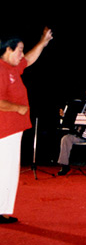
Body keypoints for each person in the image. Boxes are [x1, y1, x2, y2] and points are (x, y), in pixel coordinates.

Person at [0, 28, 52, 224]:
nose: (22, 54)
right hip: (5, 130)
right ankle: (2, 211)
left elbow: (29, 60)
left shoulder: (11, 68)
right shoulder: (1, 70)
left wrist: (42, 43)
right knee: (7, 170)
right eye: (19, 50)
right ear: (8, 49)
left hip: (13, 129)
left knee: (8, 170)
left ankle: (3, 210)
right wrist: (18, 108)